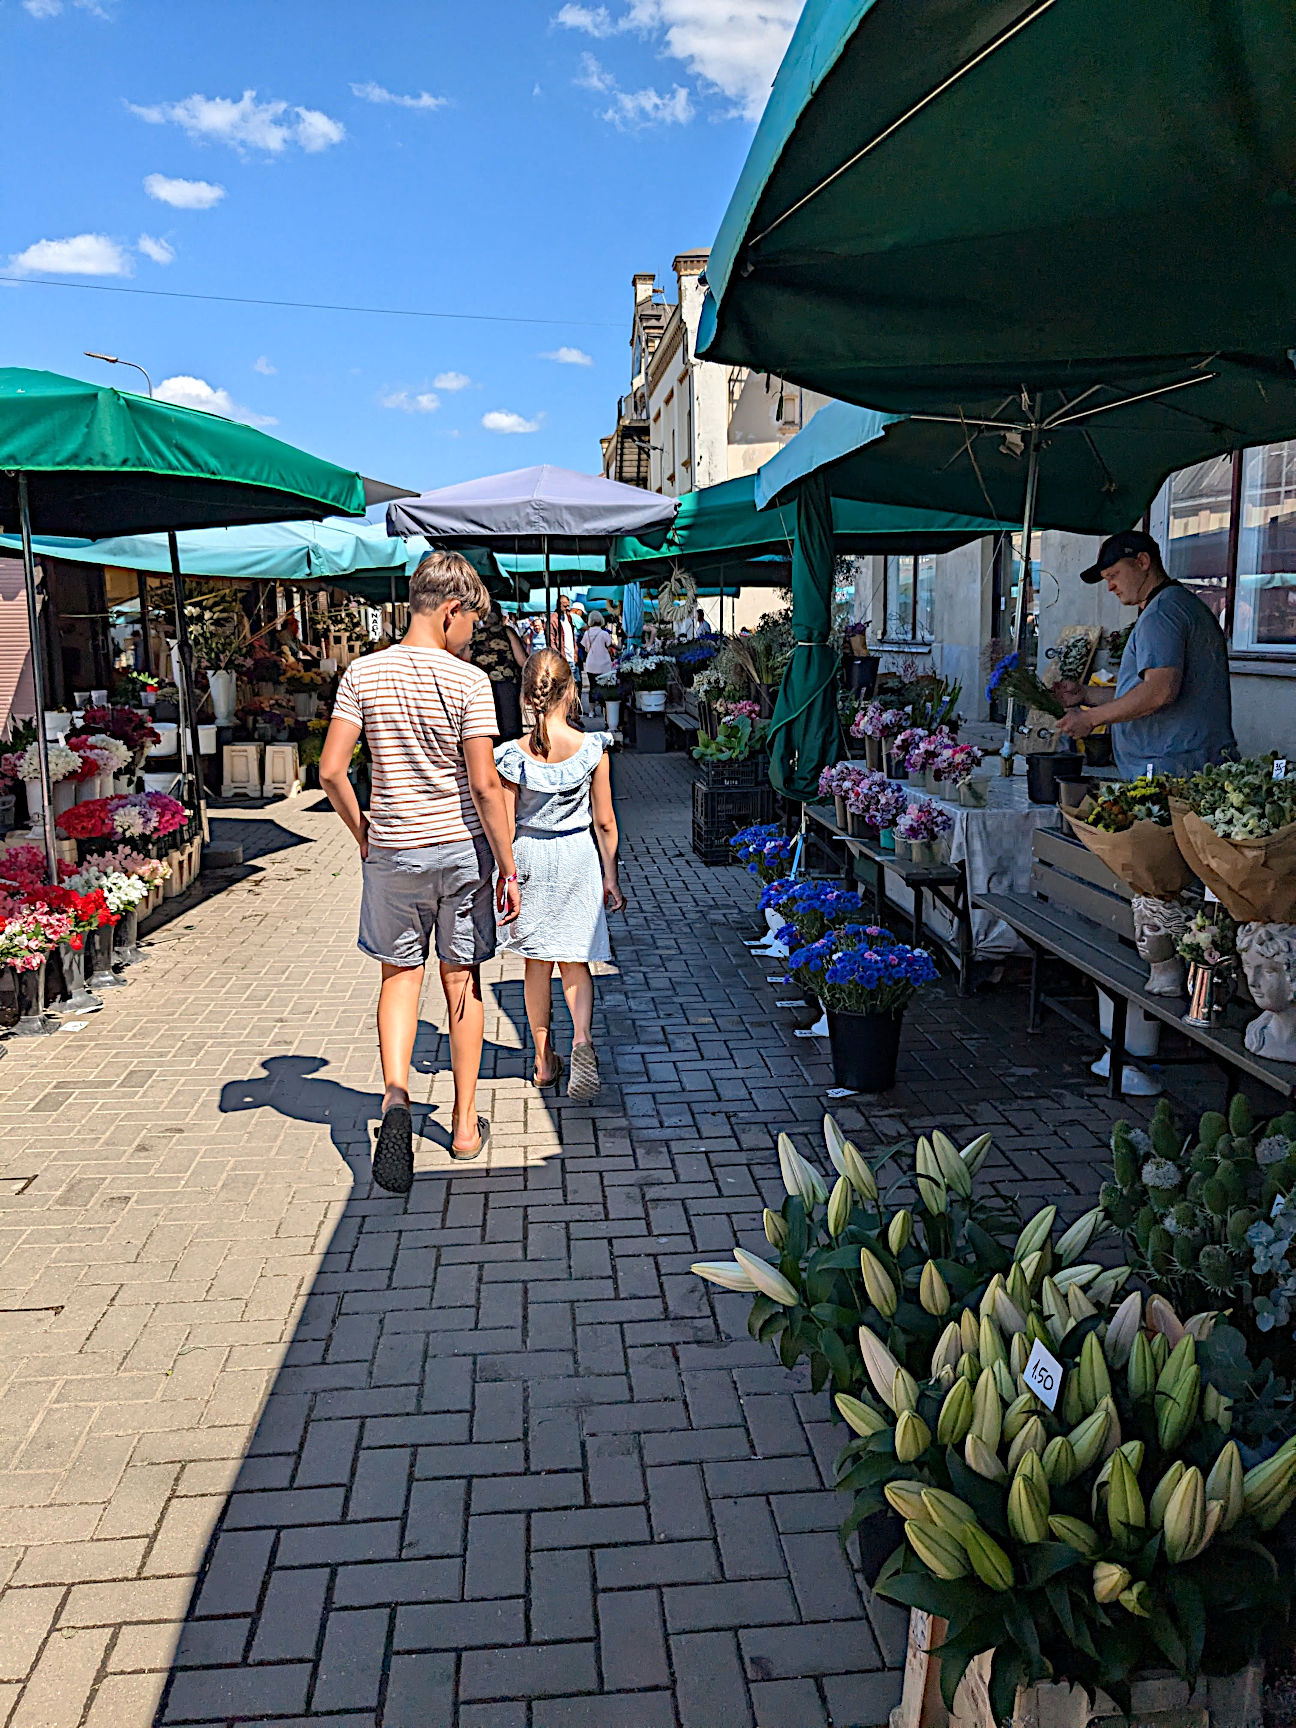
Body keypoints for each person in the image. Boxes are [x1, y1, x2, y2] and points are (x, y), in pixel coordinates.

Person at [319, 552, 522, 1190]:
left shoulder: (362, 673)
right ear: (453, 610)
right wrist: (509, 864)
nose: (472, 638)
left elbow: (329, 771)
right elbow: (486, 786)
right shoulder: (468, 683)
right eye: (472, 625)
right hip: (460, 852)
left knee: (399, 979)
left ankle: (397, 1100)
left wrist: (363, 832)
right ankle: (464, 1127)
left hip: (393, 854)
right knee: (461, 980)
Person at [494, 649, 625, 1101]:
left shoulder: (512, 756)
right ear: (571, 691)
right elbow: (605, 821)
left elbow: (507, 823)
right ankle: (582, 1039)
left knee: (537, 963)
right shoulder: (593, 750)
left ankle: (544, 1059)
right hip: (577, 858)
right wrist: (610, 876)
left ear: (529, 695)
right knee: (576, 959)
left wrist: (506, 874)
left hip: (530, 857)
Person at [1056, 529, 1236, 778]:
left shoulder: (1162, 613)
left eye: (1113, 575)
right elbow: (1149, 692)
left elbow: (1158, 693)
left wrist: (1090, 718)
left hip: (1172, 767)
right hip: (1184, 761)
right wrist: (1086, 694)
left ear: (1142, 562)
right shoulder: (1178, 604)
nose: (1110, 587)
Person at [470, 603, 528, 741]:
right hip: (507, 683)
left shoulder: (474, 636)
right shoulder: (507, 631)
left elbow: (466, 660)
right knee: (510, 727)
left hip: (481, 686)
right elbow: (522, 660)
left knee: (486, 726)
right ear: (500, 616)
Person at [579, 609, 616, 710]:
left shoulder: (586, 633)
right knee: (604, 687)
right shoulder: (604, 633)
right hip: (604, 664)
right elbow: (609, 648)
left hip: (591, 663)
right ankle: (604, 709)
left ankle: (591, 710)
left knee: (592, 687)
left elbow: (586, 648)